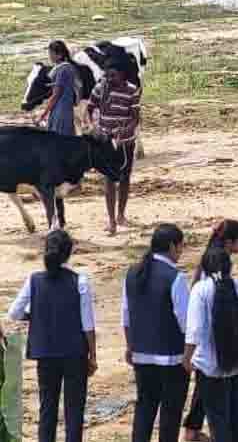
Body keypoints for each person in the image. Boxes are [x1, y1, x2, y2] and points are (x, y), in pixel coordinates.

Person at [7, 230, 97, 442]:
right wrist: (93, 355)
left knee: (47, 407)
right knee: (74, 409)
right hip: (75, 353)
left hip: (45, 352)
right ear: (70, 252)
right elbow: (88, 325)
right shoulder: (80, 281)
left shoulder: (34, 280)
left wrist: (34, 314)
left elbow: (14, 313)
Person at [184, 247, 238, 442]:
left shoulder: (200, 290)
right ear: (230, 266)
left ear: (205, 269)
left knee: (218, 419)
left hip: (210, 366)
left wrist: (186, 359)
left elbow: (195, 331)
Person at [124, 224, 190, 442]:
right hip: (171, 357)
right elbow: (186, 322)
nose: (181, 252)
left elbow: (126, 316)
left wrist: (130, 346)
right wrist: (190, 354)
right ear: (172, 246)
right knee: (170, 415)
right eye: (181, 247)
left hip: (141, 354)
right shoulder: (175, 277)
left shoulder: (132, 273)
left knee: (144, 408)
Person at [87, 56, 142, 235]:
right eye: (107, 76)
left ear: (123, 75)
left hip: (125, 142)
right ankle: (111, 221)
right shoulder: (100, 88)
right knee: (110, 180)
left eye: (113, 76)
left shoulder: (132, 91)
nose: (110, 79)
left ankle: (121, 215)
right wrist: (93, 126)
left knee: (125, 177)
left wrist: (126, 131)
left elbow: (135, 117)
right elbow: (90, 108)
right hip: (106, 141)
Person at [37, 40, 81, 136]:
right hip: (64, 109)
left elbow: (56, 94)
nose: (50, 56)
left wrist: (44, 113)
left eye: (51, 53)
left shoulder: (63, 69)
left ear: (60, 55)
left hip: (60, 111)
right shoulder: (67, 67)